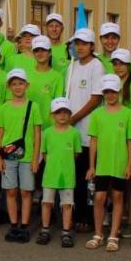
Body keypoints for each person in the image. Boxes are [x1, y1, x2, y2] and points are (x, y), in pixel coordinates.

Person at [85, 74, 131, 252]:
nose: (110, 95)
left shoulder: (128, 114)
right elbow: (93, 141)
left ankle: (113, 235)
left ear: (120, 92)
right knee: (99, 197)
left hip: (120, 164)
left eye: (113, 91)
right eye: (107, 92)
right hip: (102, 165)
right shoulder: (97, 114)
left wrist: (130, 165)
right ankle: (98, 234)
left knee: (117, 197)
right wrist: (92, 166)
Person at [65, 27, 105, 232]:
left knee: (89, 178)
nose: (79, 47)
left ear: (91, 46)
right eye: (76, 43)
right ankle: (77, 213)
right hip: (72, 131)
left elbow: (96, 98)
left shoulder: (96, 66)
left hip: (88, 130)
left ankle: (89, 217)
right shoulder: (72, 65)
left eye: (83, 43)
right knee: (77, 176)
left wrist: (74, 118)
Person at [0, 69, 43, 243]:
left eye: (20, 83)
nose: (17, 87)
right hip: (8, 155)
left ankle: (24, 226)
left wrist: (36, 158)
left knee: (26, 191)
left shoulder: (33, 106)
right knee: (11, 191)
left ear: (27, 85)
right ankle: (13, 224)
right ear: (9, 86)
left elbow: (37, 134)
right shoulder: (4, 108)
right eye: (14, 84)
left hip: (27, 156)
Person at [37, 97, 81, 248]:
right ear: (52, 115)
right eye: (58, 112)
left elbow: (75, 154)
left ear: (70, 114)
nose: (62, 115)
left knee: (67, 204)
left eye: (65, 112)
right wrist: (53, 165)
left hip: (68, 175)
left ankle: (66, 232)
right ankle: (45, 230)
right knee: (47, 202)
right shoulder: (48, 133)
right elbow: (45, 153)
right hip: (50, 175)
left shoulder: (74, 133)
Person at [109, 48, 131, 238]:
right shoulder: (111, 83)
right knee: (115, 181)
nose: (118, 67)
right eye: (115, 63)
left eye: (122, 63)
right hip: (112, 140)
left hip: (127, 140)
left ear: (129, 65)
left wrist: (130, 134)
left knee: (128, 181)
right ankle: (119, 217)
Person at [24, 35, 65, 127]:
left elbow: (57, 105)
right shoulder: (26, 74)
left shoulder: (57, 77)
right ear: (33, 53)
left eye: (43, 50)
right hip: (27, 126)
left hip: (47, 127)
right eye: (36, 50)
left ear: (50, 52)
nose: (40, 53)